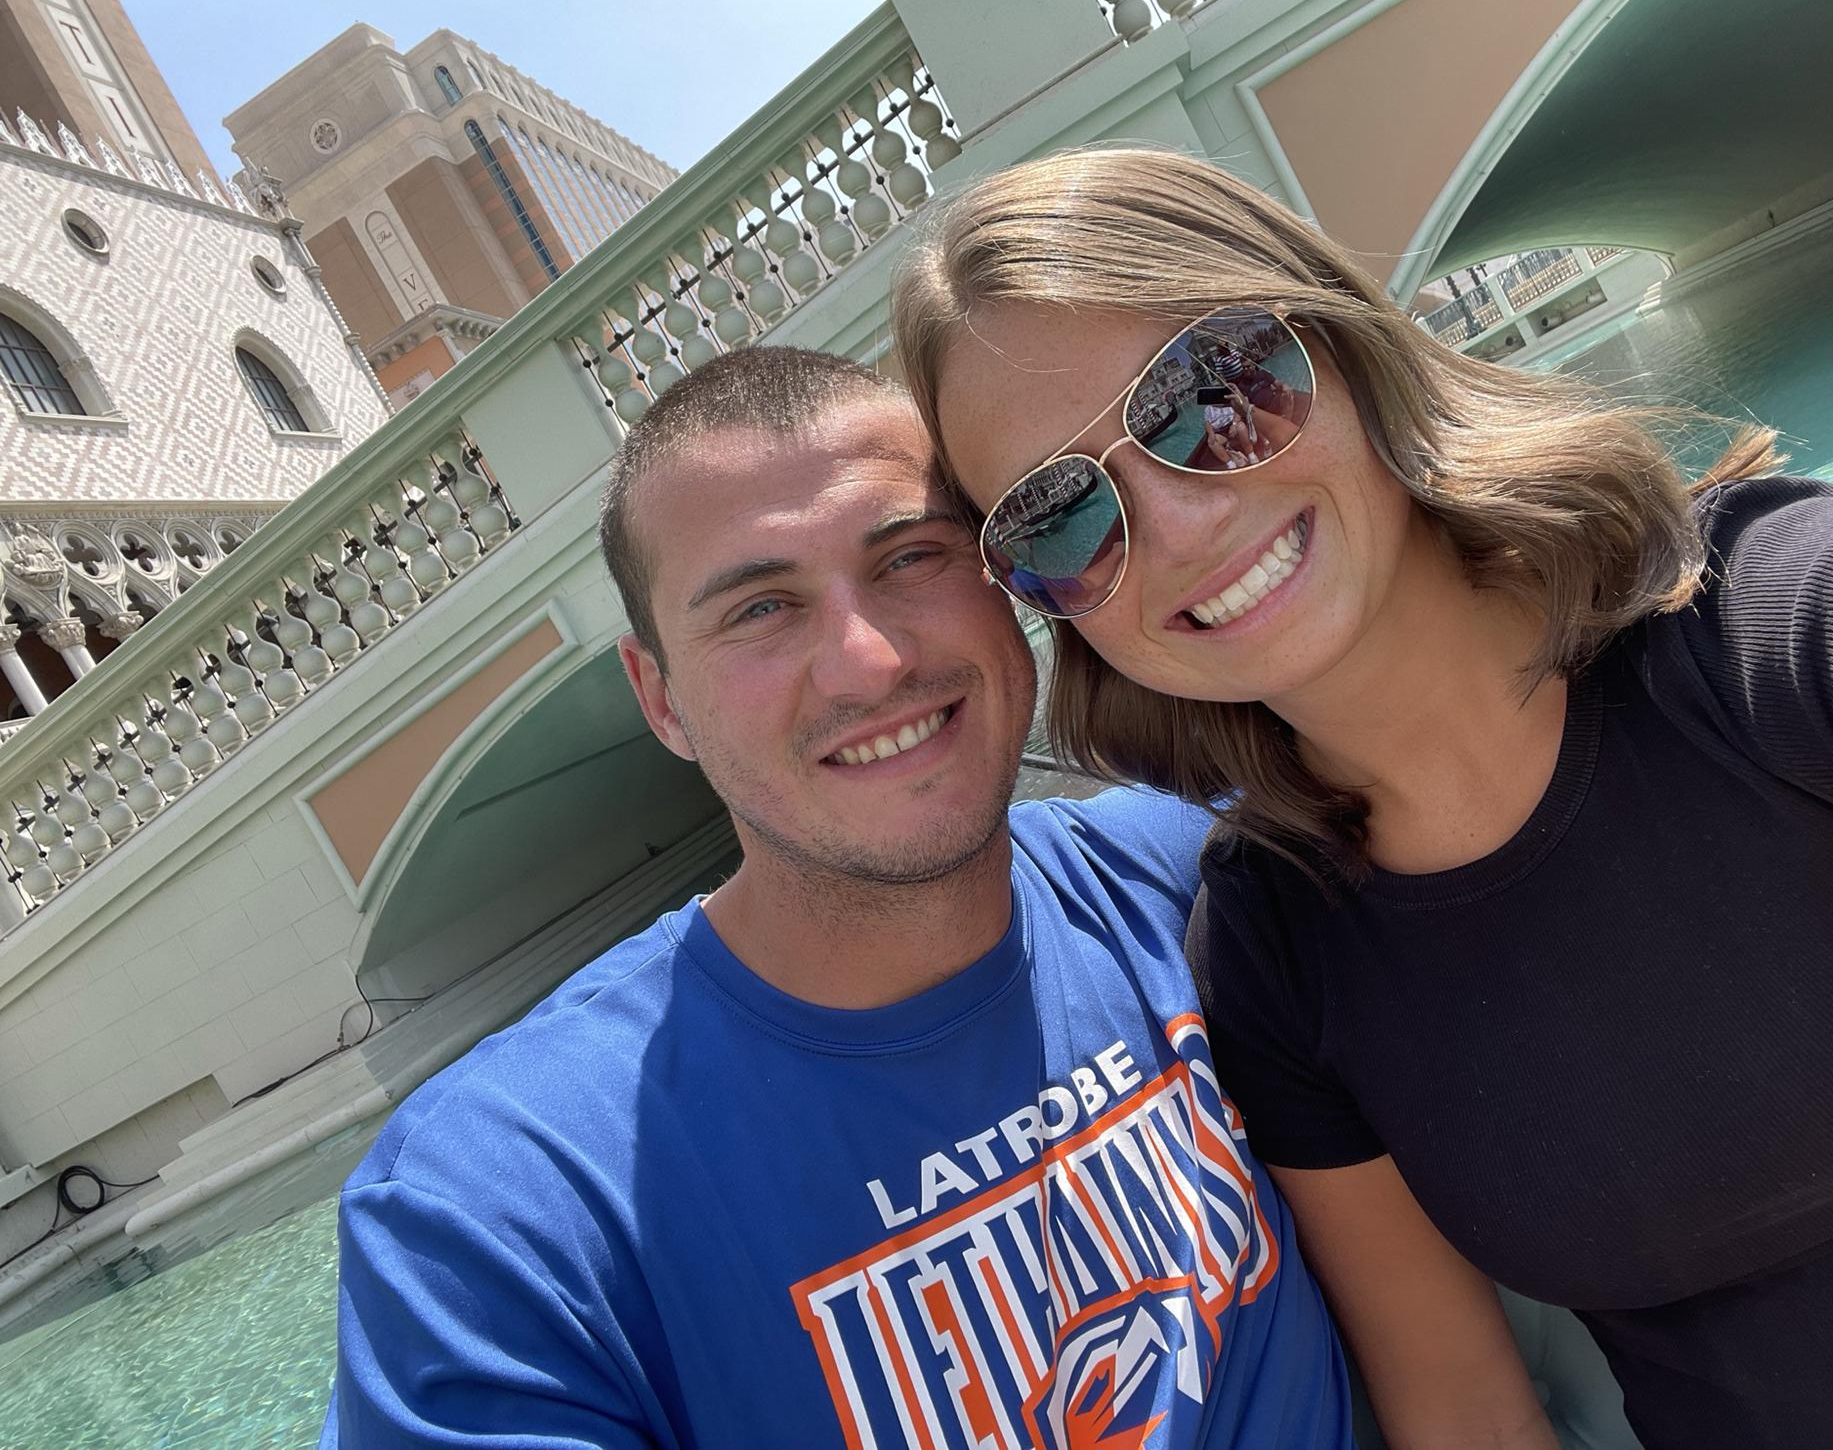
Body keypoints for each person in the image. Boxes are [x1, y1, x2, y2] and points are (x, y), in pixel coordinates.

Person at [893, 146, 1833, 1450]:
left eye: (1204, 394)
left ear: (1342, 346)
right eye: (1058, 517)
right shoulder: (1275, 945)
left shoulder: (1799, 618)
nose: (1180, 527)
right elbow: (1465, 1409)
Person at [319, 346, 1353, 1448]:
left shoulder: (1189, 878)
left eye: (911, 557)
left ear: (1004, 583)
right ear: (661, 701)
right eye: (761, 608)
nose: (867, 662)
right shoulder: (499, 1206)